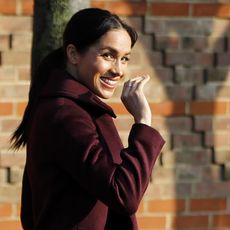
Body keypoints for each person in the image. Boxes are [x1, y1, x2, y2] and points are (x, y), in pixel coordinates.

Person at [11, 7, 165, 230]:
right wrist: (143, 122)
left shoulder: (75, 108)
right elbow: (124, 194)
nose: (118, 70)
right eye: (108, 55)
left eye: (125, 58)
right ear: (73, 54)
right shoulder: (65, 114)